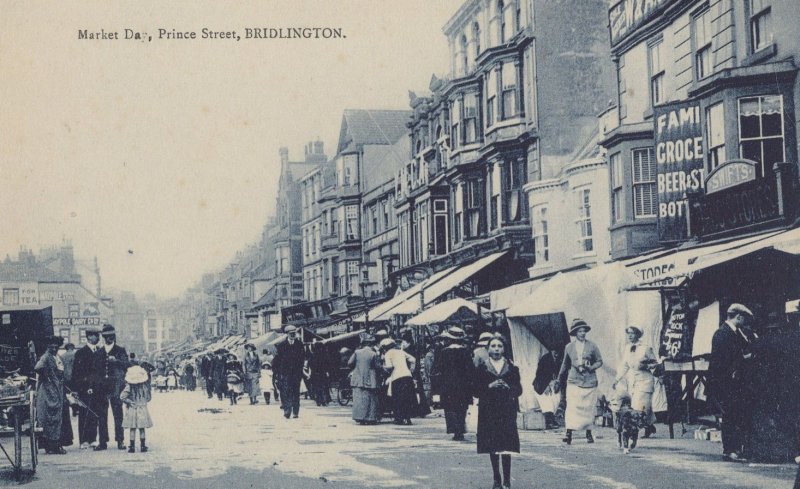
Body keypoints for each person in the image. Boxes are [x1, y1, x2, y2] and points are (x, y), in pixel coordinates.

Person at [708, 303, 758, 462]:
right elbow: (724, 361)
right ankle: (729, 450)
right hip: (727, 383)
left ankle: (735, 448)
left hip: (733, 383)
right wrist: (745, 359)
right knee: (730, 416)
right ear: (738, 316)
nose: (746, 323)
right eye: (744, 319)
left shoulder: (734, 333)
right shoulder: (723, 334)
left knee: (735, 415)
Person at [474, 336, 522, 489]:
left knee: (506, 444)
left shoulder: (512, 368)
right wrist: (490, 385)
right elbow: (475, 391)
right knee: (493, 445)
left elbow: (519, 390)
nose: (496, 349)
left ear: (504, 349)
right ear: (488, 349)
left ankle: (507, 480)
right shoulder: (482, 368)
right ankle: (497, 478)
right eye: (493, 346)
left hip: (506, 410)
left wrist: (508, 387)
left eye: (499, 346)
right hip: (489, 411)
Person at [558, 318, 603, 445]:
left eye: (584, 331)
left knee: (588, 408)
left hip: (589, 382)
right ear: (575, 333)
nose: (582, 334)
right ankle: (569, 433)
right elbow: (565, 364)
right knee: (572, 406)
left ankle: (588, 433)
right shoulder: (569, 347)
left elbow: (600, 361)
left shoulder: (592, 346)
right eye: (579, 331)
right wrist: (558, 379)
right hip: (574, 380)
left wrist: (591, 367)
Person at [613, 326, 658, 438]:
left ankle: (634, 433)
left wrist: (645, 365)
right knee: (642, 407)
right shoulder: (628, 348)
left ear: (638, 335)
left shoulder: (645, 348)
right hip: (634, 381)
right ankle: (649, 426)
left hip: (645, 381)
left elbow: (655, 364)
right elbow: (624, 365)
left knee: (638, 406)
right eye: (628, 333)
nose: (630, 335)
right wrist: (616, 379)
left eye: (633, 333)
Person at [94, 324, 130, 451]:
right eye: (108, 336)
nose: (110, 338)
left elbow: (127, 365)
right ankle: (103, 442)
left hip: (116, 387)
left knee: (118, 415)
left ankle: (120, 440)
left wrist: (117, 361)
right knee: (102, 416)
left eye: (112, 336)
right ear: (104, 337)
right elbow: (95, 371)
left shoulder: (120, 350)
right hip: (102, 389)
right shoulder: (98, 352)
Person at [435, 327, 473, 441]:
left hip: (448, 384)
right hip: (463, 385)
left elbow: (438, 369)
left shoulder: (444, 352)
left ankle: (455, 430)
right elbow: (470, 369)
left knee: (450, 407)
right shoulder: (466, 352)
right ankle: (460, 430)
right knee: (462, 408)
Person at [35, 336, 67, 454]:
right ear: (48, 347)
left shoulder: (56, 357)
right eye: (51, 347)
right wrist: (46, 377)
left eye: (56, 347)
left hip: (57, 390)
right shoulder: (46, 357)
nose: (54, 348)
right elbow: (38, 367)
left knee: (56, 419)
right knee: (50, 418)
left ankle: (53, 446)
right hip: (49, 392)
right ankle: (52, 446)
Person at [73, 327, 101, 449]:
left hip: (97, 388)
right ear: (89, 337)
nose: (97, 337)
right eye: (95, 335)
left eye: (97, 335)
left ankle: (93, 439)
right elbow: (76, 372)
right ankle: (83, 440)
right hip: (84, 387)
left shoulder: (99, 351)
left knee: (94, 413)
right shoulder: (81, 353)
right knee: (84, 413)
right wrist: (79, 388)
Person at [380, 338, 416, 426]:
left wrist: (383, 367)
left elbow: (389, 367)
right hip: (407, 376)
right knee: (407, 398)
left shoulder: (388, 354)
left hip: (397, 377)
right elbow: (413, 359)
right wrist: (411, 369)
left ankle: (400, 418)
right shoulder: (401, 352)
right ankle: (407, 418)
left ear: (385, 347)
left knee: (398, 399)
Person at [273, 325, 306, 419]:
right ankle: (287, 411)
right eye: (291, 334)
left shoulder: (299, 344)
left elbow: (302, 358)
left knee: (295, 392)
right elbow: (277, 360)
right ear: (287, 334)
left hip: (296, 373)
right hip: (285, 373)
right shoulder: (281, 345)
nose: (292, 335)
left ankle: (295, 411)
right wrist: (277, 372)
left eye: (294, 333)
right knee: (285, 392)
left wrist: (300, 372)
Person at [348, 335, 381, 425]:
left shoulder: (357, 352)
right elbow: (378, 367)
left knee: (359, 399)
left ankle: (360, 417)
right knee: (370, 399)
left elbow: (350, 363)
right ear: (371, 344)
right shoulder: (374, 354)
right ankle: (370, 418)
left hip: (357, 378)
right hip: (370, 379)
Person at [120, 365, 152, 453]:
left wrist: (129, 402)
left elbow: (122, 397)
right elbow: (149, 398)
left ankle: (132, 447)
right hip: (142, 409)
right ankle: (142, 446)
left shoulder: (129, 386)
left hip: (132, 409)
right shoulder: (144, 387)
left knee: (132, 428)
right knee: (142, 428)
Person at [532, 348, 563, 430]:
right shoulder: (545, 359)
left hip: (553, 383)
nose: (556, 354)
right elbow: (539, 374)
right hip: (541, 384)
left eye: (558, 353)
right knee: (547, 401)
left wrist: (558, 383)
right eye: (555, 352)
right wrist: (546, 386)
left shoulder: (560, 359)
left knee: (556, 399)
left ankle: (551, 419)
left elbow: (561, 374)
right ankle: (548, 421)